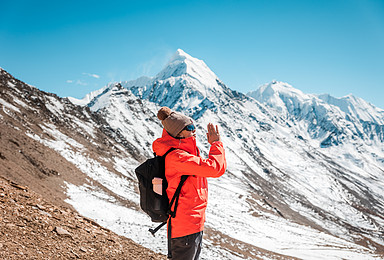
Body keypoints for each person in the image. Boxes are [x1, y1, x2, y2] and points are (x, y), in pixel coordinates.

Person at [152, 106, 227, 260]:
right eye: (190, 128)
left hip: (191, 223)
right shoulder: (178, 157)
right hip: (184, 227)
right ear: (179, 133)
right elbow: (215, 168)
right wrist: (216, 144)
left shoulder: (183, 154)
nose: (194, 131)